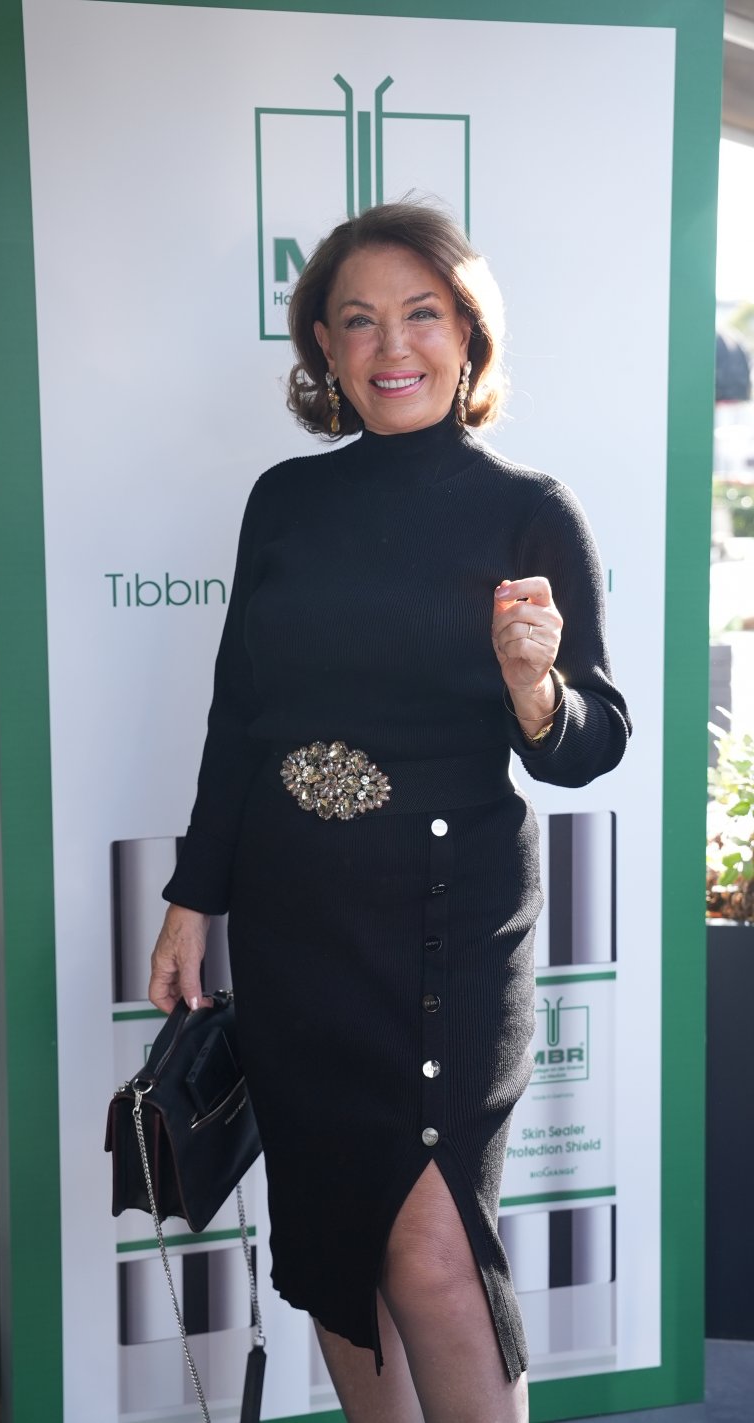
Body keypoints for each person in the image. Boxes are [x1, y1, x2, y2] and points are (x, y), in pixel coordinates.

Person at [148, 201, 630, 1423]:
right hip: (294, 923)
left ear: (468, 334)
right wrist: (193, 898)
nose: (391, 345)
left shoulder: (528, 507)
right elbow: (238, 716)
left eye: (421, 313)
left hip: (446, 928)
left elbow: (593, 744)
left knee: (431, 1249)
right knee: (336, 1245)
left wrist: (533, 690)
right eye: (356, 320)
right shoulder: (283, 501)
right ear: (322, 346)